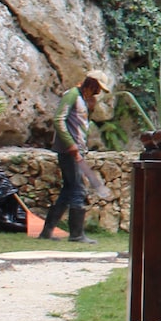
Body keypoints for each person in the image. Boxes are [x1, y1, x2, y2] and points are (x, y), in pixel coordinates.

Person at [40, 72, 108, 243]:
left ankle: (47, 232)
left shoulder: (84, 100)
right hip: (68, 151)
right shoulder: (72, 95)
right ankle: (77, 235)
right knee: (78, 190)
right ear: (92, 84)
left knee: (68, 190)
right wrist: (71, 145)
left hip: (77, 150)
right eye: (98, 88)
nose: (99, 92)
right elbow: (59, 120)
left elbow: (79, 124)